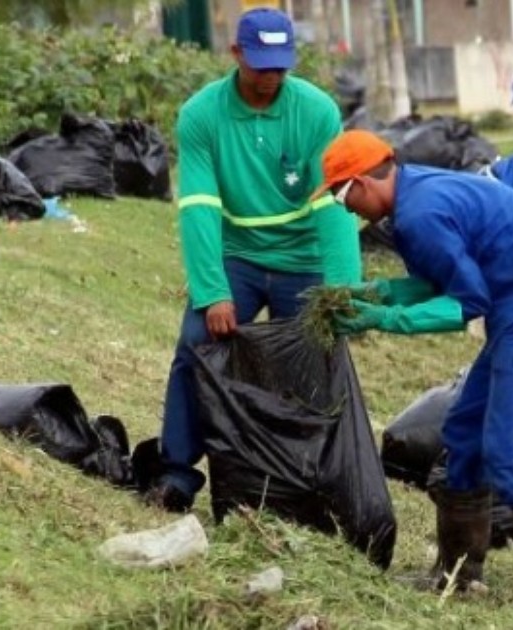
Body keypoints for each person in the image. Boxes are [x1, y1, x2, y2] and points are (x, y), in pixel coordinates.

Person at [316, 130, 513, 599]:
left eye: (340, 194)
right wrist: (377, 293)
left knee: (510, 445)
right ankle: (459, 575)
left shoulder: (419, 214)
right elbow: (444, 279)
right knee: (463, 432)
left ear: (361, 182)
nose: (345, 207)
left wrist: (386, 318)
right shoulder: (415, 194)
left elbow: (467, 301)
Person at [146, 8, 362, 512]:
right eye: (261, 65)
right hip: (237, 256)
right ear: (236, 54)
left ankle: (309, 482)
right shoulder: (202, 115)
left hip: (302, 258)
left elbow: (332, 204)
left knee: (313, 366)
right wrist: (212, 291)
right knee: (195, 350)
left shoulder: (317, 111)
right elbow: (199, 207)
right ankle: (177, 474)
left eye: (280, 66)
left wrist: (342, 290)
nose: (271, 77)